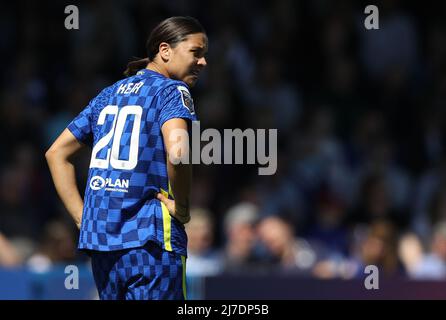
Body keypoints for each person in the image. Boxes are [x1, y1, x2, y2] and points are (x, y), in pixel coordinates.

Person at [45, 16, 208, 300]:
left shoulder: (108, 94)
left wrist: (82, 218)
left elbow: (56, 153)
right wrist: (181, 206)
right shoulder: (172, 91)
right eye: (197, 52)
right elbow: (179, 152)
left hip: (102, 243)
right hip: (150, 240)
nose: (203, 62)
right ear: (165, 50)